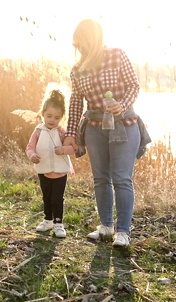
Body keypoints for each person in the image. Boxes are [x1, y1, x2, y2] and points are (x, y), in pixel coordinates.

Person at [63, 18, 142, 248]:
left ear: (92, 40)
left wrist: (122, 104)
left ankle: (123, 232)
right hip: (95, 127)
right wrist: (71, 133)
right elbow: (76, 101)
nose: (79, 49)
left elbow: (134, 86)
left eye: (82, 43)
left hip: (124, 125)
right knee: (100, 179)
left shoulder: (116, 55)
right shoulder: (77, 70)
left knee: (121, 178)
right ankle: (106, 226)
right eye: (77, 45)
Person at [26, 88, 75, 238]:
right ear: (43, 114)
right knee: (46, 196)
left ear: (61, 118)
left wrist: (63, 149)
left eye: (56, 117)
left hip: (60, 172)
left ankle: (58, 223)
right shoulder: (38, 131)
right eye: (49, 116)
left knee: (57, 198)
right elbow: (30, 147)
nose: (52, 120)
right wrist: (32, 155)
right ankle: (47, 220)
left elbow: (74, 148)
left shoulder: (62, 132)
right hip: (44, 170)